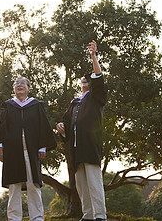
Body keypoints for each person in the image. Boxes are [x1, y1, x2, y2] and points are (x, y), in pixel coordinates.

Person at [0, 76, 57, 221]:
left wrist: (43, 147)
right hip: (12, 151)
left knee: (33, 184)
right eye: (16, 84)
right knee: (14, 186)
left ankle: (37, 217)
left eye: (22, 84)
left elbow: (43, 127)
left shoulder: (36, 105)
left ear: (29, 87)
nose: (19, 85)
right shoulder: (7, 105)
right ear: (13, 89)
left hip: (32, 150)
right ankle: (14, 217)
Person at [56, 40, 108, 221]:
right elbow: (66, 124)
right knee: (81, 185)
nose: (85, 79)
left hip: (90, 146)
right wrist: (62, 129)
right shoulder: (74, 102)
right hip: (76, 150)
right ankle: (88, 215)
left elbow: (98, 78)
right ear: (79, 83)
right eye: (82, 78)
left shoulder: (95, 98)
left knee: (94, 183)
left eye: (89, 77)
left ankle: (100, 216)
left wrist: (93, 56)